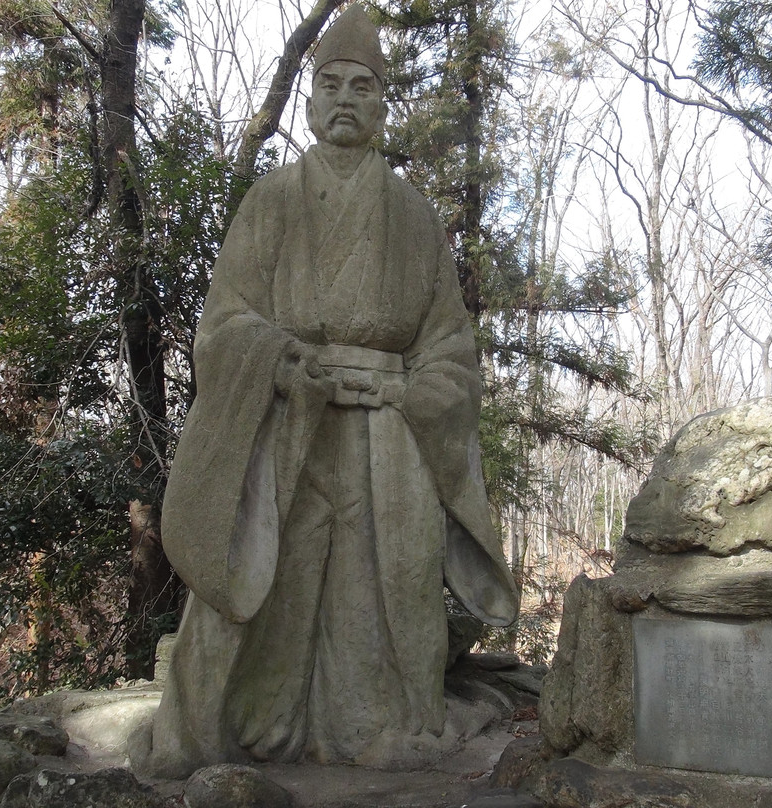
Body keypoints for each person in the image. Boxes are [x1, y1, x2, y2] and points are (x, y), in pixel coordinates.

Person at [139, 5, 518, 777]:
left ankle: (376, 726)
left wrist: (422, 395)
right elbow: (226, 321)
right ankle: (240, 728)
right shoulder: (273, 199)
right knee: (266, 577)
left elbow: (450, 342)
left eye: (363, 87)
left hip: (389, 436)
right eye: (330, 85)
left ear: (383, 107)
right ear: (309, 104)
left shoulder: (413, 214)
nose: (345, 98)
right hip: (288, 420)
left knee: (384, 590)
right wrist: (277, 359)